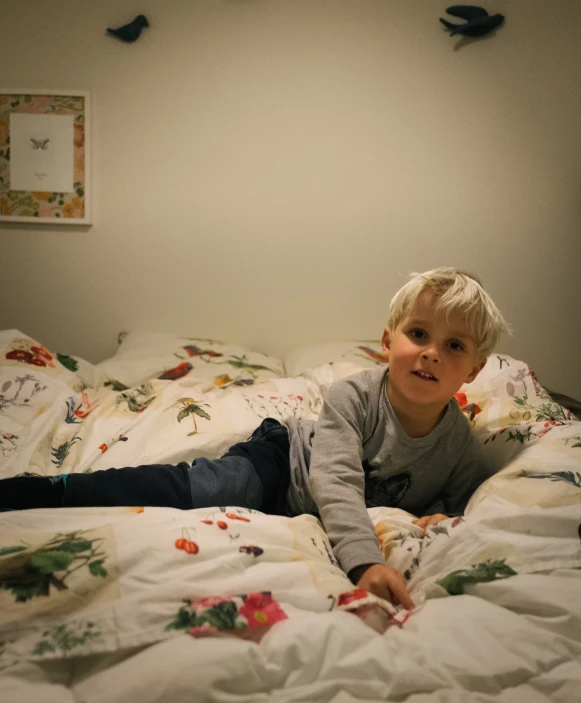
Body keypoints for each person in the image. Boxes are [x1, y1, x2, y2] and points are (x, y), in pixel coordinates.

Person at [0, 267, 509, 609]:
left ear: (473, 370)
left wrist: (442, 511)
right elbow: (332, 478)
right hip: (282, 464)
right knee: (199, 491)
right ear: (387, 341)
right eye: (418, 335)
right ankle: (50, 491)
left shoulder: (458, 441)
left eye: (454, 345)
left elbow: (461, 496)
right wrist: (365, 561)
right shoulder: (354, 396)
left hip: (302, 506)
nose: (431, 353)